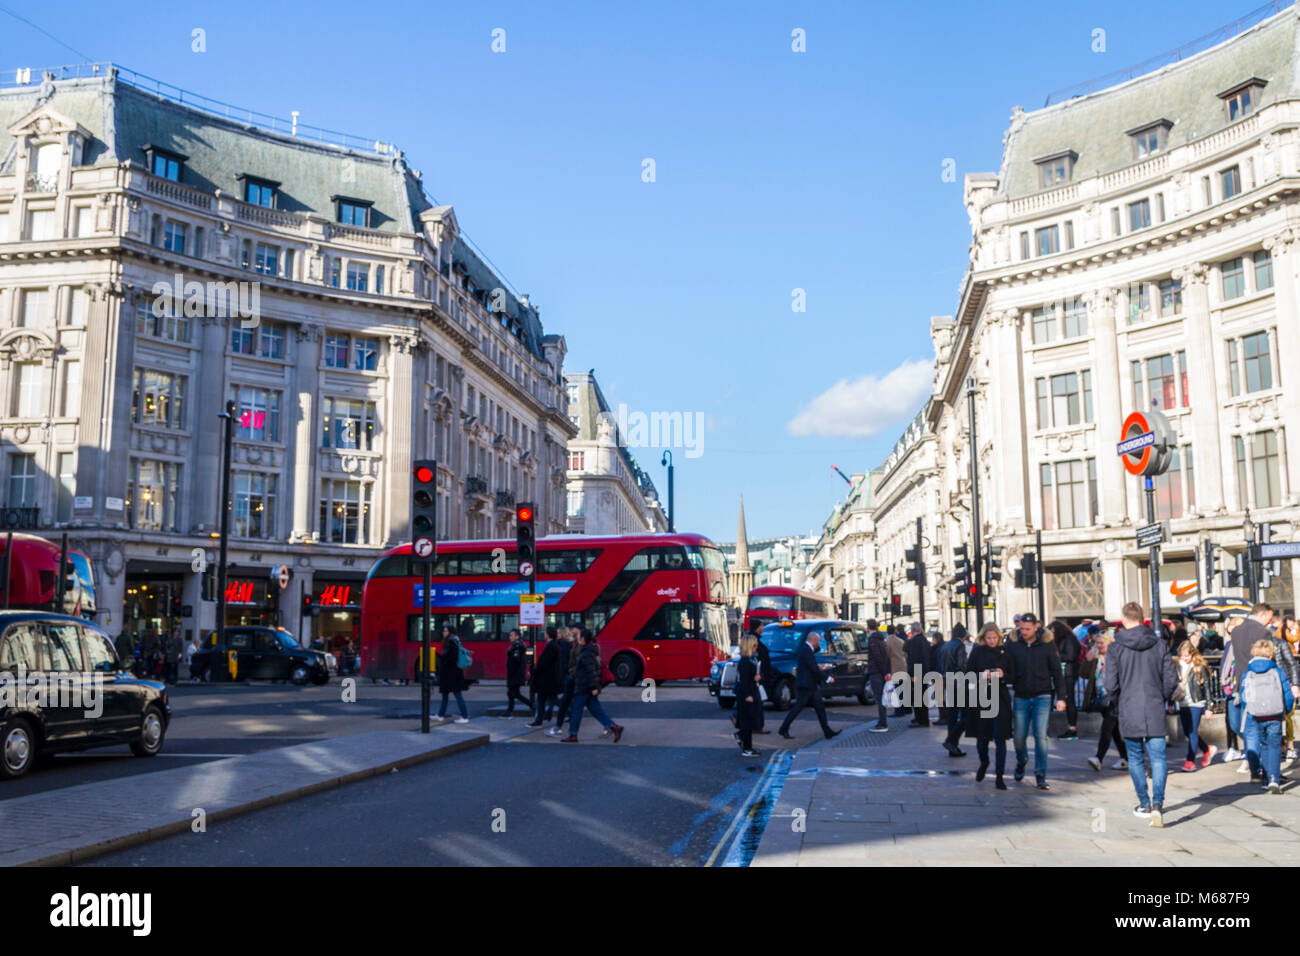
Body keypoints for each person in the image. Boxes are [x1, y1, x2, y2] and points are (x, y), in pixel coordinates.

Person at [1105, 601, 1179, 828]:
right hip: (1154, 705)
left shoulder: (1116, 647)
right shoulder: (1159, 645)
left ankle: (1144, 804)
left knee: (1135, 758)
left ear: (1124, 620)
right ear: (1143, 618)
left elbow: (1110, 684)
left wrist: (1118, 698)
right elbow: (1171, 680)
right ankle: (1158, 803)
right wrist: (1161, 696)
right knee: (1158, 758)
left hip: (1129, 706)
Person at [1004, 612, 1066, 790]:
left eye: (1027, 629)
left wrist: (1061, 697)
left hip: (1042, 696)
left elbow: (1056, 672)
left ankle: (1040, 774)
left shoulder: (1047, 645)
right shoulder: (1013, 645)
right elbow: (1007, 668)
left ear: (1036, 627)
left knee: (1041, 737)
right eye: (1021, 628)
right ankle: (1022, 759)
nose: (1023, 632)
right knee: (1019, 738)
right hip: (1021, 695)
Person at [1230, 604, 1288, 782]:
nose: (1270, 621)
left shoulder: (1236, 632)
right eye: (1269, 617)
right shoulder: (1263, 632)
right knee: (1264, 730)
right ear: (1262, 615)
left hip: (1243, 683)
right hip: (1262, 685)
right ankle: (1269, 771)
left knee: (1250, 728)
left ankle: (1255, 770)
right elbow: (1270, 659)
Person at [1240, 639, 1294, 793]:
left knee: (1263, 745)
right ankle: (1274, 779)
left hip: (1257, 715)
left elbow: (1244, 697)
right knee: (1275, 746)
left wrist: (1250, 710)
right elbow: (1287, 694)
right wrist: (1286, 710)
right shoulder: (1277, 671)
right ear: (1270, 655)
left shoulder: (1248, 673)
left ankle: (1264, 779)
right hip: (1275, 714)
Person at [965, 622, 1011, 789]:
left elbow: (1013, 674)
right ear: (983, 638)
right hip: (982, 697)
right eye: (988, 638)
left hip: (1000, 698)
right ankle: (984, 762)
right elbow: (968, 674)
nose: (992, 641)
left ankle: (1000, 776)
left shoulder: (1005, 652)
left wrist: (1002, 674)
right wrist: (981, 675)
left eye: (994, 638)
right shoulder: (977, 651)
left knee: (1001, 738)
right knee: (982, 739)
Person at [563, 628, 624, 742]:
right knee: (596, 709)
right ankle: (614, 727)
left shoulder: (586, 653)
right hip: (587, 686)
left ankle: (573, 734)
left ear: (583, 639)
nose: (578, 638)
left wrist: (594, 687)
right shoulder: (590, 651)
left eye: (580, 636)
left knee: (577, 710)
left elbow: (590, 672)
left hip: (584, 687)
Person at [777, 629, 839, 740]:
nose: (819, 644)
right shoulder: (806, 650)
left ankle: (827, 731)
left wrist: (819, 667)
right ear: (814, 641)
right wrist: (828, 678)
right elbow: (813, 669)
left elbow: (810, 666)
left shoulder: (805, 649)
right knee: (797, 708)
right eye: (818, 641)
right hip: (806, 685)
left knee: (819, 708)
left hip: (809, 684)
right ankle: (783, 728)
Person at [1086, 633, 1128, 772]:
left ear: (1109, 643)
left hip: (1115, 698)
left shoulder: (1116, 658)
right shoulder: (1096, 659)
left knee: (1106, 729)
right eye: (1097, 643)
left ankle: (1099, 758)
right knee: (1114, 731)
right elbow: (1083, 674)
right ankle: (1125, 758)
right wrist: (1088, 660)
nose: (1099, 646)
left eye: (1101, 643)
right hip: (1101, 699)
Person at [1175, 641, 1215, 771]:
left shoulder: (1199, 666)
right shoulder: (1177, 666)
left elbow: (1208, 687)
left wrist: (1209, 706)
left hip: (1196, 702)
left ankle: (1190, 761)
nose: (1184, 658)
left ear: (1192, 654)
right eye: (1182, 656)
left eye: (1187, 656)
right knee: (1187, 731)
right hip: (1183, 702)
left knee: (1192, 731)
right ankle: (1206, 749)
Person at [940, 624, 969, 757]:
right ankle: (952, 742)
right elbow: (961, 665)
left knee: (952, 714)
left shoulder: (945, 645)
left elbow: (940, 665)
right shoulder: (960, 646)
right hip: (959, 682)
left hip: (947, 680)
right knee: (967, 714)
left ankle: (952, 744)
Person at [548, 626, 580, 737]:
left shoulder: (561, 645)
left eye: (558, 632)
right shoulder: (569, 644)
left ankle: (561, 726)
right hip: (568, 675)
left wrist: (560, 675)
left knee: (558, 698)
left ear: (562, 634)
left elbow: (563, 662)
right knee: (567, 698)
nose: (556, 634)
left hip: (565, 675)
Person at [734, 635, 764, 756]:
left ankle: (742, 737)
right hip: (748, 694)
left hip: (754, 691)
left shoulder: (753, 659)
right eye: (754, 645)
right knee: (748, 721)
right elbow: (744, 680)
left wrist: (759, 676)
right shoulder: (745, 662)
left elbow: (757, 673)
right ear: (749, 646)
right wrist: (747, 695)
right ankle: (747, 748)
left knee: (752, 720)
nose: (756, 647)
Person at [529, 626, 564, 727]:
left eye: (545, 633)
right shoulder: (554, 645)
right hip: (548, 680)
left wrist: (534, 671)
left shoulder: (551, 646)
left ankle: (570, 711)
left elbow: (544, 663)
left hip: (547, 680)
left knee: (551, 700)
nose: (544, 634)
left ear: (548, 634)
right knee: (542, 700)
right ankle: (539, 720)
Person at [436, 625, 470, 723]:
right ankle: (440, 714)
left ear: (450, 632)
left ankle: (464, 716)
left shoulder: (452, 642)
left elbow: (452, 658)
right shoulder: (452, 641)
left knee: (457, 694)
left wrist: (444, 663)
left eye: (445, 631)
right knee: (445, 694)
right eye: (443, 631)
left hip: (452, 673)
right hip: (450, 673)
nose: (444, 632)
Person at [865, 624, 890, 732]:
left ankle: (882, 723)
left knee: (879, 698)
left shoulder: (872, 641)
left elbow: (877, 658)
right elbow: (886, 658)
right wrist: (887, 672)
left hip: (876, 672)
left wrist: (883, 672)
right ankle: (882, 722)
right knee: (881, 698)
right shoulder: (882, 641)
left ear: (868, 628)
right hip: (881, 673)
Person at [905, 622, 931, 726]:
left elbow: (913, 659)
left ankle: (919, 719)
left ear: (912, 630)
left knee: (917, 698)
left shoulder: (913, 642)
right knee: (923, 698)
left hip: (917, 673)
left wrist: (912, 675)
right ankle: (924, 720)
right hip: (925, 672)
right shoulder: (925, 641)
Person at [504, 629, 531, 715]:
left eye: (512, 635)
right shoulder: (516, 646)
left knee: (514, 693)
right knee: (511, 693)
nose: (510, 637)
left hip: (516, 675)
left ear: (517, 636)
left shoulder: (517, 647)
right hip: (515, 675)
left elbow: (516, 662)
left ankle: (532, 705)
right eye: (510, 635)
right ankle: (509, 710)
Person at [884, 623, 908, 717]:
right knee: (903, 689)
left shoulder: (887, 642)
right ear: (895, 631)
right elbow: (905, 654)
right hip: (903, 666)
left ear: (887, 631)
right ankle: (905, 709)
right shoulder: (901, 641)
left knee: (897, 690)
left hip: (894, 668)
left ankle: (899, 711)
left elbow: (887, 655)